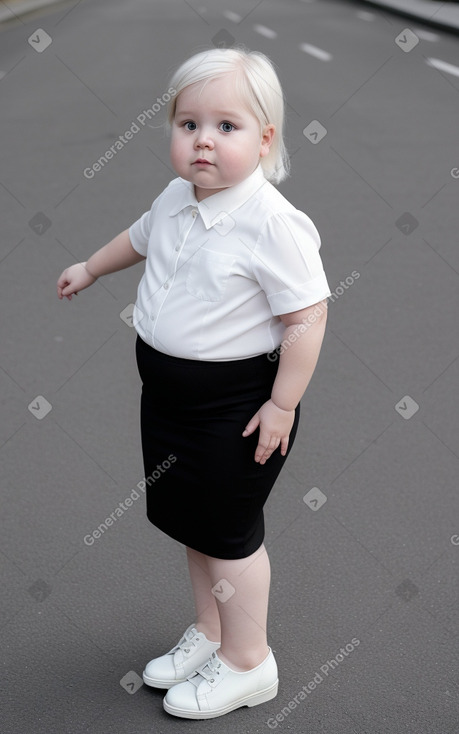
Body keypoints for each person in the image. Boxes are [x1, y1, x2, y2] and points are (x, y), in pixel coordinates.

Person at [56, 46, 331, 720]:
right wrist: (92, 268)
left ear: (265, 140)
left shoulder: (272, 223)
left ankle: (248, 662)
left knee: (231, 534)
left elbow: (307, 316)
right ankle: (212, 633)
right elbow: (140, 237)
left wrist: (281, 404)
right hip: (171, 403)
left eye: (227, 126)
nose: (203, 140)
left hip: (237, 408)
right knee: (195, 525)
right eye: (188, 124)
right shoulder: (177, 197)